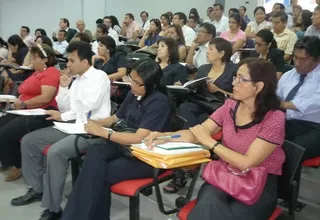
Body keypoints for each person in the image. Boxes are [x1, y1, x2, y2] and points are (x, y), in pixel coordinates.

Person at [148, 58, 285, 220]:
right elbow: (199, 132)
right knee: (209, 204)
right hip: (225, 174)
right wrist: (166, 136)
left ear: (259, 87)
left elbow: (246, 163)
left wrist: (210, 143)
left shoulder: (274, 118)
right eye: (235, 77)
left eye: (241, 79)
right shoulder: (230, 107)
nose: (234, 83)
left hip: (258, 182)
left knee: (227, 215)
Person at [60, 59, 174, 220]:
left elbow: (138, 138)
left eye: (137, 83)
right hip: (123, 145)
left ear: (152, 85)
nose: (132, 86)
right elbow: (114, 118)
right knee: (95, 154)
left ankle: (75, 216)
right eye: (131, 80)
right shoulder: (134, 93)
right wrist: (93, 123)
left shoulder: (159, 102)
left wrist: (103, 132)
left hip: (146, 156)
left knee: (99, 172)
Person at [10, 41, 111, 220]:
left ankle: (53, 208)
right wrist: (64, 88)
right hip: (72, 124)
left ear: (85, 62)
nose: (68, 65)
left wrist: (67, 107)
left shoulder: (100, 77)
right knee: (29, 141)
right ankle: (38, 188)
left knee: (56, 153)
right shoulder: (76, 80)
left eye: (72, 61)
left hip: (92, 130)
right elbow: (66, 108)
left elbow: (89, 105)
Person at [0, 44, 60, 181]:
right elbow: (25, 91)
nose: (31, 61)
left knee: (5, 133)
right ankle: (7, 160)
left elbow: (46, 97)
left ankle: (18, 164)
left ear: (45, 59)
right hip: (24, 110)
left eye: (34, 58)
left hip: (42, 113)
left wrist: (23, 103)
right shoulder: (36, 72)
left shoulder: (51, 72)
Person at [277, 36, 320, 161]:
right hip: (287, 123)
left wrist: (285, 105)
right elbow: (276, 97)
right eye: (295, 57)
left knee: (290, 153)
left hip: (314, 127)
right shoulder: (288, 75)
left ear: (317, 59)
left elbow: (315, 103)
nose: (297, 63)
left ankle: (287, 180)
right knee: (266, 145)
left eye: (303, 59)